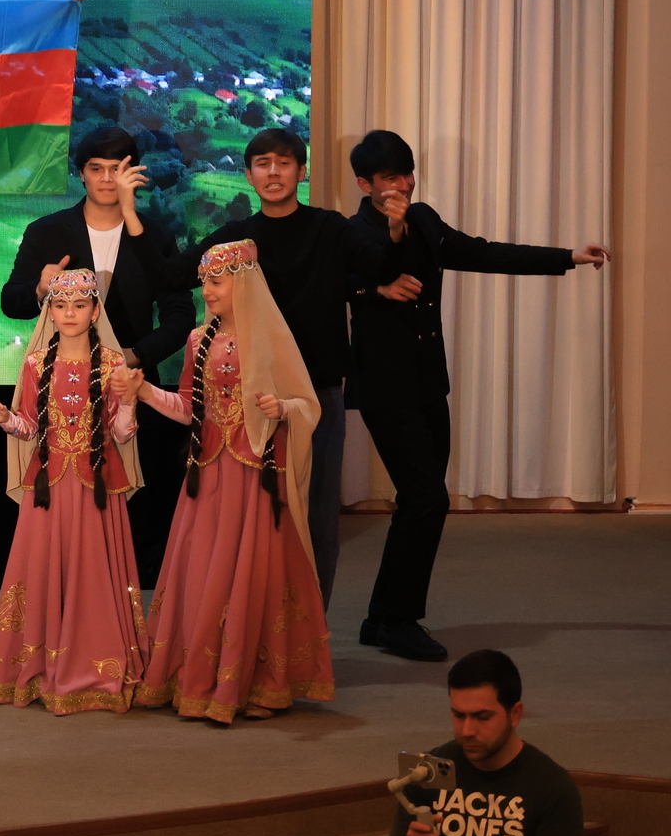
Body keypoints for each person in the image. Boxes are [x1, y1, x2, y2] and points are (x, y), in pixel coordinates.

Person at [346, 131, 609, 663]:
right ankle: (399, 621)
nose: (404, 185)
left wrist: (567, 257)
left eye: (407, 173)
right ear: (364, 184)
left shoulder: (425, 219)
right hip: (386, 388)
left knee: (418, 503)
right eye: (390, 178)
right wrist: (386, 257)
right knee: (428, 500)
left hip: (428, 382)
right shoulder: (354, 231)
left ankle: (381, 617)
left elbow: (483, 253)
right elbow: (366, 274)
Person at [154, 127, 407, 608]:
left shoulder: (330, 227)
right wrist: (130, 214)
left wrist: (395, 231)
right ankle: (259, 624)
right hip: (248, 399)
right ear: (249, 176)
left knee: (316, 513)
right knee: (256, 514)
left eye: (285, 163)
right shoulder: (235, 236)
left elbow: (380, 267)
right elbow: (173, 274)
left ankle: (311, 624)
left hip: (316, 394)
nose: (274, 172)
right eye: (263, 164)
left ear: (302, 171)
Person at [136, 239, 334, 724]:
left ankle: (259, 681)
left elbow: (308, 405)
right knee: (204, 568)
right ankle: (200, 675)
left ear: (242, 283)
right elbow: (190, 408)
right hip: (209, 474)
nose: (207, 290)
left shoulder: (271, 336)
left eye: (216, 281)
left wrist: (282, 408)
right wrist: (144, 391)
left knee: (253, 571)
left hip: (255, 478)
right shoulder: (197, 340)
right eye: (203, 281)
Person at [0, 125, 194, 586]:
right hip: (59, 401)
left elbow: (180, 315)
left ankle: (121, 615)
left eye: (117, 169)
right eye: (96, 168)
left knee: (132, 512)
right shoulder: (47, 232)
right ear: (80, 173)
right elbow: (11, 301)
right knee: (58, 523)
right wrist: (39, 288)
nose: (107, 179)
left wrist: (133, 357)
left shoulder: (155, 235)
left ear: (135, 173)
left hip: (130, 390)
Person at [0, 269, 148, 712]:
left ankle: (96, 664)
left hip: (97, 487)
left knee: (94, 572)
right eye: (60, 304)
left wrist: (129, 401)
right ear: (49, 311)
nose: (69, 313)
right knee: (43, 570)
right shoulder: (35, 363)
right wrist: (5, 419)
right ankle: (41, 662)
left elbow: (121, 435)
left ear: (95, 310)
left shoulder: (113, 363)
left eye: (79, 304)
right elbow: (30, 427)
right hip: (48, 488)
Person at [379, 650, 584, 836]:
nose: (467, 731)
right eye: (459, 715)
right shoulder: (427, 771)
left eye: (482, 717)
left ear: (515, 714)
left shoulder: (551, 784)